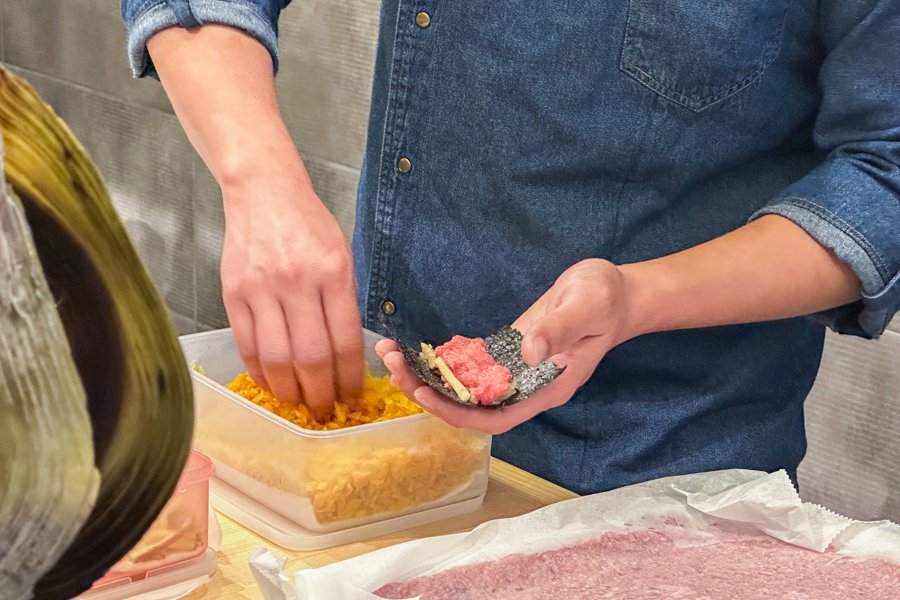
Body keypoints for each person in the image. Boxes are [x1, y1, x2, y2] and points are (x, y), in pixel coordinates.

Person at [122, 0, 900, 494]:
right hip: (378, 441)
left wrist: (635, 300)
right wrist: (262, 186)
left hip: (658, 479)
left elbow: (884, 172)